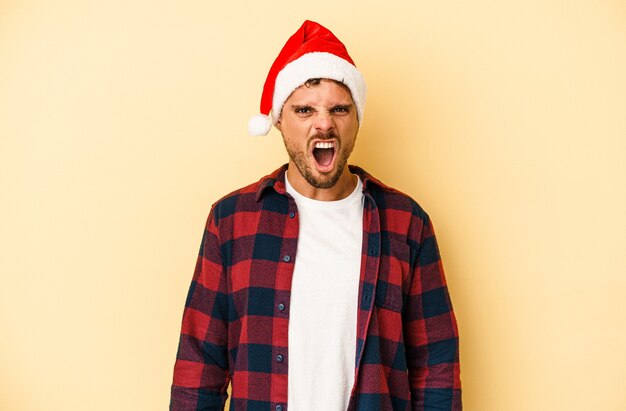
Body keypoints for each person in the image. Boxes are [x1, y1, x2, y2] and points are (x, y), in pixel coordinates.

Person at [170, 20, 461, 411]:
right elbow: (199, 366)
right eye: (304, 109)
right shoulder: (232, 222)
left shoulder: (406, 223)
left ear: (356, 118)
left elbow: (436, 366)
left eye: (339, 108)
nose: (324, 123)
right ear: (279, 120)